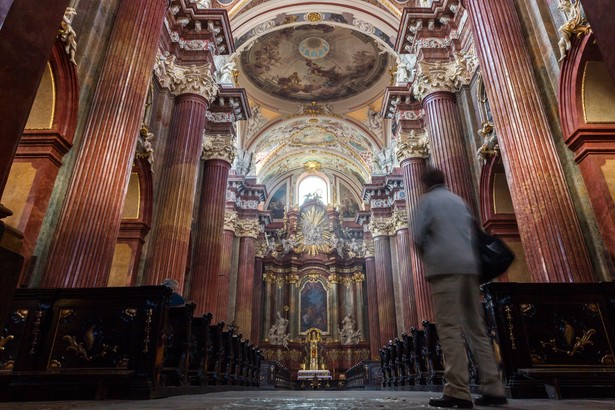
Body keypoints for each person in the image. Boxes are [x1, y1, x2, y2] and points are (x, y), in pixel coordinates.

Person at [412, 167, 507, 408]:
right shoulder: (459, 201)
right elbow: (474, 233)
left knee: (449, 329)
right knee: (476, 328)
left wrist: (429, 258)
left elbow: (418, 237)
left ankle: (458, 390)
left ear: (425, 184)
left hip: (445, 269)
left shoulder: (427, 202)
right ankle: (494, 387)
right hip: (470, 269)